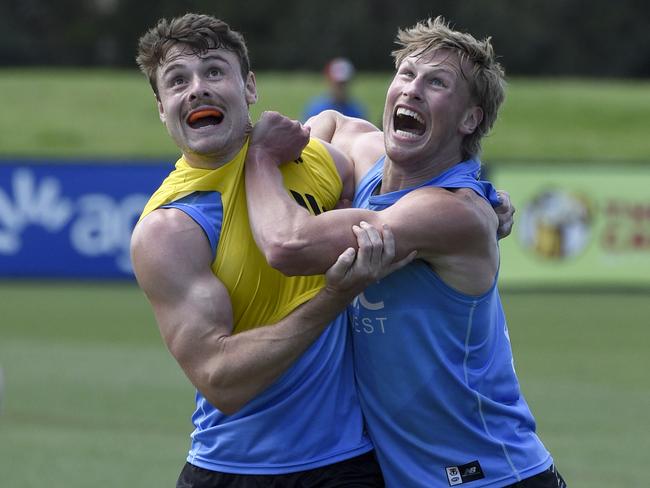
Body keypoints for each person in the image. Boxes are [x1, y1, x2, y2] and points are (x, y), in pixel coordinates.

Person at [244, 17, 565, 488]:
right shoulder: (375, 165)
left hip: (490, 475)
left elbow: (287, 245)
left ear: (469, 119)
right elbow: (333, 123)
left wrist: (260, 159)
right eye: (407, 74)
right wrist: (324, 171)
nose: (412, 90)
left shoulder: (450, 211)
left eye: (436, 83)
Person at [130, 13, 412, 487]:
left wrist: (470, 193)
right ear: (162, 108)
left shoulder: (307, 158)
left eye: (214, 71)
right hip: (234, 469)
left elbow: (364, 152)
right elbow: (223, 381)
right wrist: (335, 295)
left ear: (250, 87)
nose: (197, 89)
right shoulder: (170, 228)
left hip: (350, 463)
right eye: (177, 81)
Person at [303, 57, 367, 121]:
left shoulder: (357, 110)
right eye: (338, 83)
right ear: (329, 80)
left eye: (344, 83)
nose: (341, 87)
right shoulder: (316, 110)